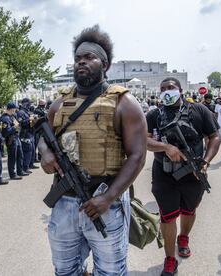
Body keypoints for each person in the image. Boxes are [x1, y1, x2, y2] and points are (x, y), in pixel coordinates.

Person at [39, 25, 147, 275]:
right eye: (77, 58)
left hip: (105, 202)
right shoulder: (60, 102)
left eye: (89, 57)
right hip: (64, 203)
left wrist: (109, 197)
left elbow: (138, 156)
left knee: (110, 271)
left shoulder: (124, 103)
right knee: (65, 271)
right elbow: (43, 134)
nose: (81, 62)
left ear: (105, 64)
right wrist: (44, 151)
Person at [146, 78, 220, 276]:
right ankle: (170, 259)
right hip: (164, 172)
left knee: (189, 210)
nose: (166, 91)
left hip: (194, 172)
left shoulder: (199, 110)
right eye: (162, 89)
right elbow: (143, 140)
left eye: (170, 88)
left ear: (180, 89)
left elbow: (214, 137)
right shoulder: (154, 115)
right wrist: (165, 147)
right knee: (167, 216)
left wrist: (205, 162)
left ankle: (184, 237)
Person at [0, 102, 28, 180]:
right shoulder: (5, 118)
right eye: (14, 109)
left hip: (16, 138)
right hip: (11, 139)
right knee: (12, 157)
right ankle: (12, 174)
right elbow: (5, 132)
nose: (15, 110)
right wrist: (14, 127)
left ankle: (20, 171)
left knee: (20, 155)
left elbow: (17, 125)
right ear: (11, 109)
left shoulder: (12, 116)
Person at [18, 98, 39, 173]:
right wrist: (30, 119)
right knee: (27, 151)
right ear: (25, 103)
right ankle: (25, 167)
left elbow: (31, 121)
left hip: (31, 133)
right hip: (25, 134)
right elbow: (22, 123)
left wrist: (34, 119)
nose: (30, 105)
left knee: (32, 150)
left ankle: (31, 164)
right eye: (28, 103)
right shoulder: (21, 112)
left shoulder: (27, 112)